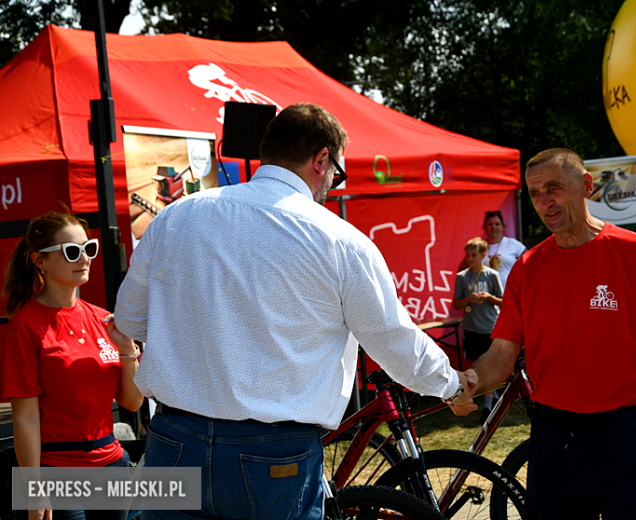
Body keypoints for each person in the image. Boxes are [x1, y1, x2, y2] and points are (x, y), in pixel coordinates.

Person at [114, 103, 473, 520]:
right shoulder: (341, 241)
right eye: (336, 173)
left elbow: (131, 319)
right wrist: (451, 386)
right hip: (273, 450)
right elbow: (394, 341)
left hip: (175, 437)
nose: (332, 184)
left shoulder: (176, 215)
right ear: (321, 159)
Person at [448, 148, 636, 520]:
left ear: (586, 186)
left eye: (554, 188)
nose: (544, 202)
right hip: (555, 432)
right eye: (535, 193)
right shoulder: (527, 268)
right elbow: (502, 354)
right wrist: (471, 381)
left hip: (626, 430)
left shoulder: (635, 252)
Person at [0, 211, 144, 520]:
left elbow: (131, 402)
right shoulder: (25, 326)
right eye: (71, 251)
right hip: (58, 471)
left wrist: (126, 350)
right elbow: (25, 418)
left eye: (88, 248)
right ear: (39, 261)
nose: (84, 258)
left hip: (111, 463)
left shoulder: (102, 318)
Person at [453, 237, 503, 421]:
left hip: (490, 328)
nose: (470, 258)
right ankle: (493, 396)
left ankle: (487, 408)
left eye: (473, 255)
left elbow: (503, 301)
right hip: (471, 329)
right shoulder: (462, 277)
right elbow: (457, 304)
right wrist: (468, 299)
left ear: (483, 255)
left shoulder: (491, 275)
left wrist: (489, 297)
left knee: (489, 366)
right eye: (467, 255)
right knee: (475, 368)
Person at [482, 210, 526, 288]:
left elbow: (531, 262)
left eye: (497, 224)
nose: (493, 227)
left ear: (502, 227)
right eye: (490, 224)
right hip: (485, 294)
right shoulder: (479, 246)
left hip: (510, 291)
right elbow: (463, 269)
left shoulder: (512, 243)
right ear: (484, 227)